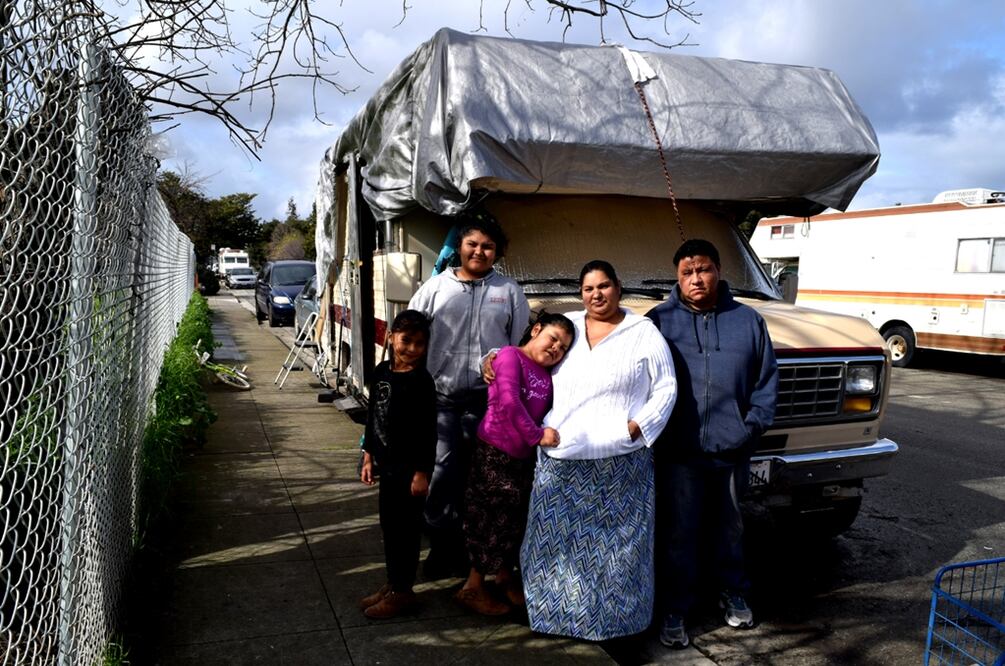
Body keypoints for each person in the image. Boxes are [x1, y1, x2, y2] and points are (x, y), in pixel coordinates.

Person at [517, 260, 677, 641]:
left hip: (620, 461)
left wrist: (638, 427)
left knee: (616, 552)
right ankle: (556, 620)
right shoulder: (568, 327)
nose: (596, 295)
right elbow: (528, 354)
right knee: (555, 545)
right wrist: (492, 359)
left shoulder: (643, 332)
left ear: (618, 288)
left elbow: (666, 387)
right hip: (563, 457)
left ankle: (616, 626)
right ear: (581, 293)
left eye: (603, 286)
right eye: (588, 289)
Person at [646, 239, 778, 648]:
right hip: (678, 452)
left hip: (732, 449)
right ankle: (675, 608)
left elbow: (766, 381)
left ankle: (733, 592)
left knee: (731, 528)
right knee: (678, 533)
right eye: (686, 273)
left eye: (702, 269)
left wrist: (750, 428)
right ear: (677, 278)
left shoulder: (748, 321)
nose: (695, 278)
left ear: (719, 271)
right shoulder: (658, 321)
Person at [407, 210, 531, 578]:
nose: (479, 251)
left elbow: (516, 348)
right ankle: (441, 544)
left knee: (479, 478)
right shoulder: (434, 289)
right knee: (442, 471)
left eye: (488, 246)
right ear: (458, 247)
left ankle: (474, 551)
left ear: (498, 252)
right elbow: (410, 340)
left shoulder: (508, 292)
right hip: (440, 398)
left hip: (487, 402)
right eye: (472, 244)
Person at [457, 312, 575, 616]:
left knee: (514, 521)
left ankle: (504, 577)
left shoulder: (546, 372)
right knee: (489, 519)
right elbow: (509, 401)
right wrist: (538, 436)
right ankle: (472, 586)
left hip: (522, 459)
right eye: (552, 338)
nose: (555, 349)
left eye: (562, 347)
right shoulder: (510, 356)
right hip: (494, 453)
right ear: (536, 330)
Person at [358, 310, 437, 619]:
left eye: (420, 343)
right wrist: (367, 455)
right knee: (389, 527)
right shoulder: (381, 371)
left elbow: (428, 431)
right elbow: (372, 416)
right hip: (386, 466)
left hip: (410, 472)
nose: (412, 349)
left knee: (406, 531)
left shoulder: (422, 381)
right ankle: (393, 584)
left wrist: (422, 472)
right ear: (391, 338)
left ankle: (403, 592)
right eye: (406, 340)